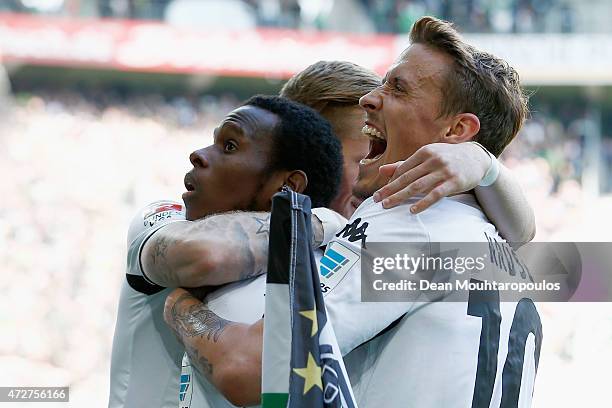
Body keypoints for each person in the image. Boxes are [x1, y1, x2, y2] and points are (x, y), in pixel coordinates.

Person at [162, 24, 541, 407]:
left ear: (458, 129)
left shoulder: (407, 221)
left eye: (398, 88)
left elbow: (253, 369)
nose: (370, 99)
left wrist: (181, 305)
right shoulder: (503, 247)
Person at [108, 95, 345, 408]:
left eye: (230, 146)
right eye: (214, 142)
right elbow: (203, 256)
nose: (198, 155)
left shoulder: (329, 268)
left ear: (287, 187)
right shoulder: (166, 219)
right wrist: (312, 220)